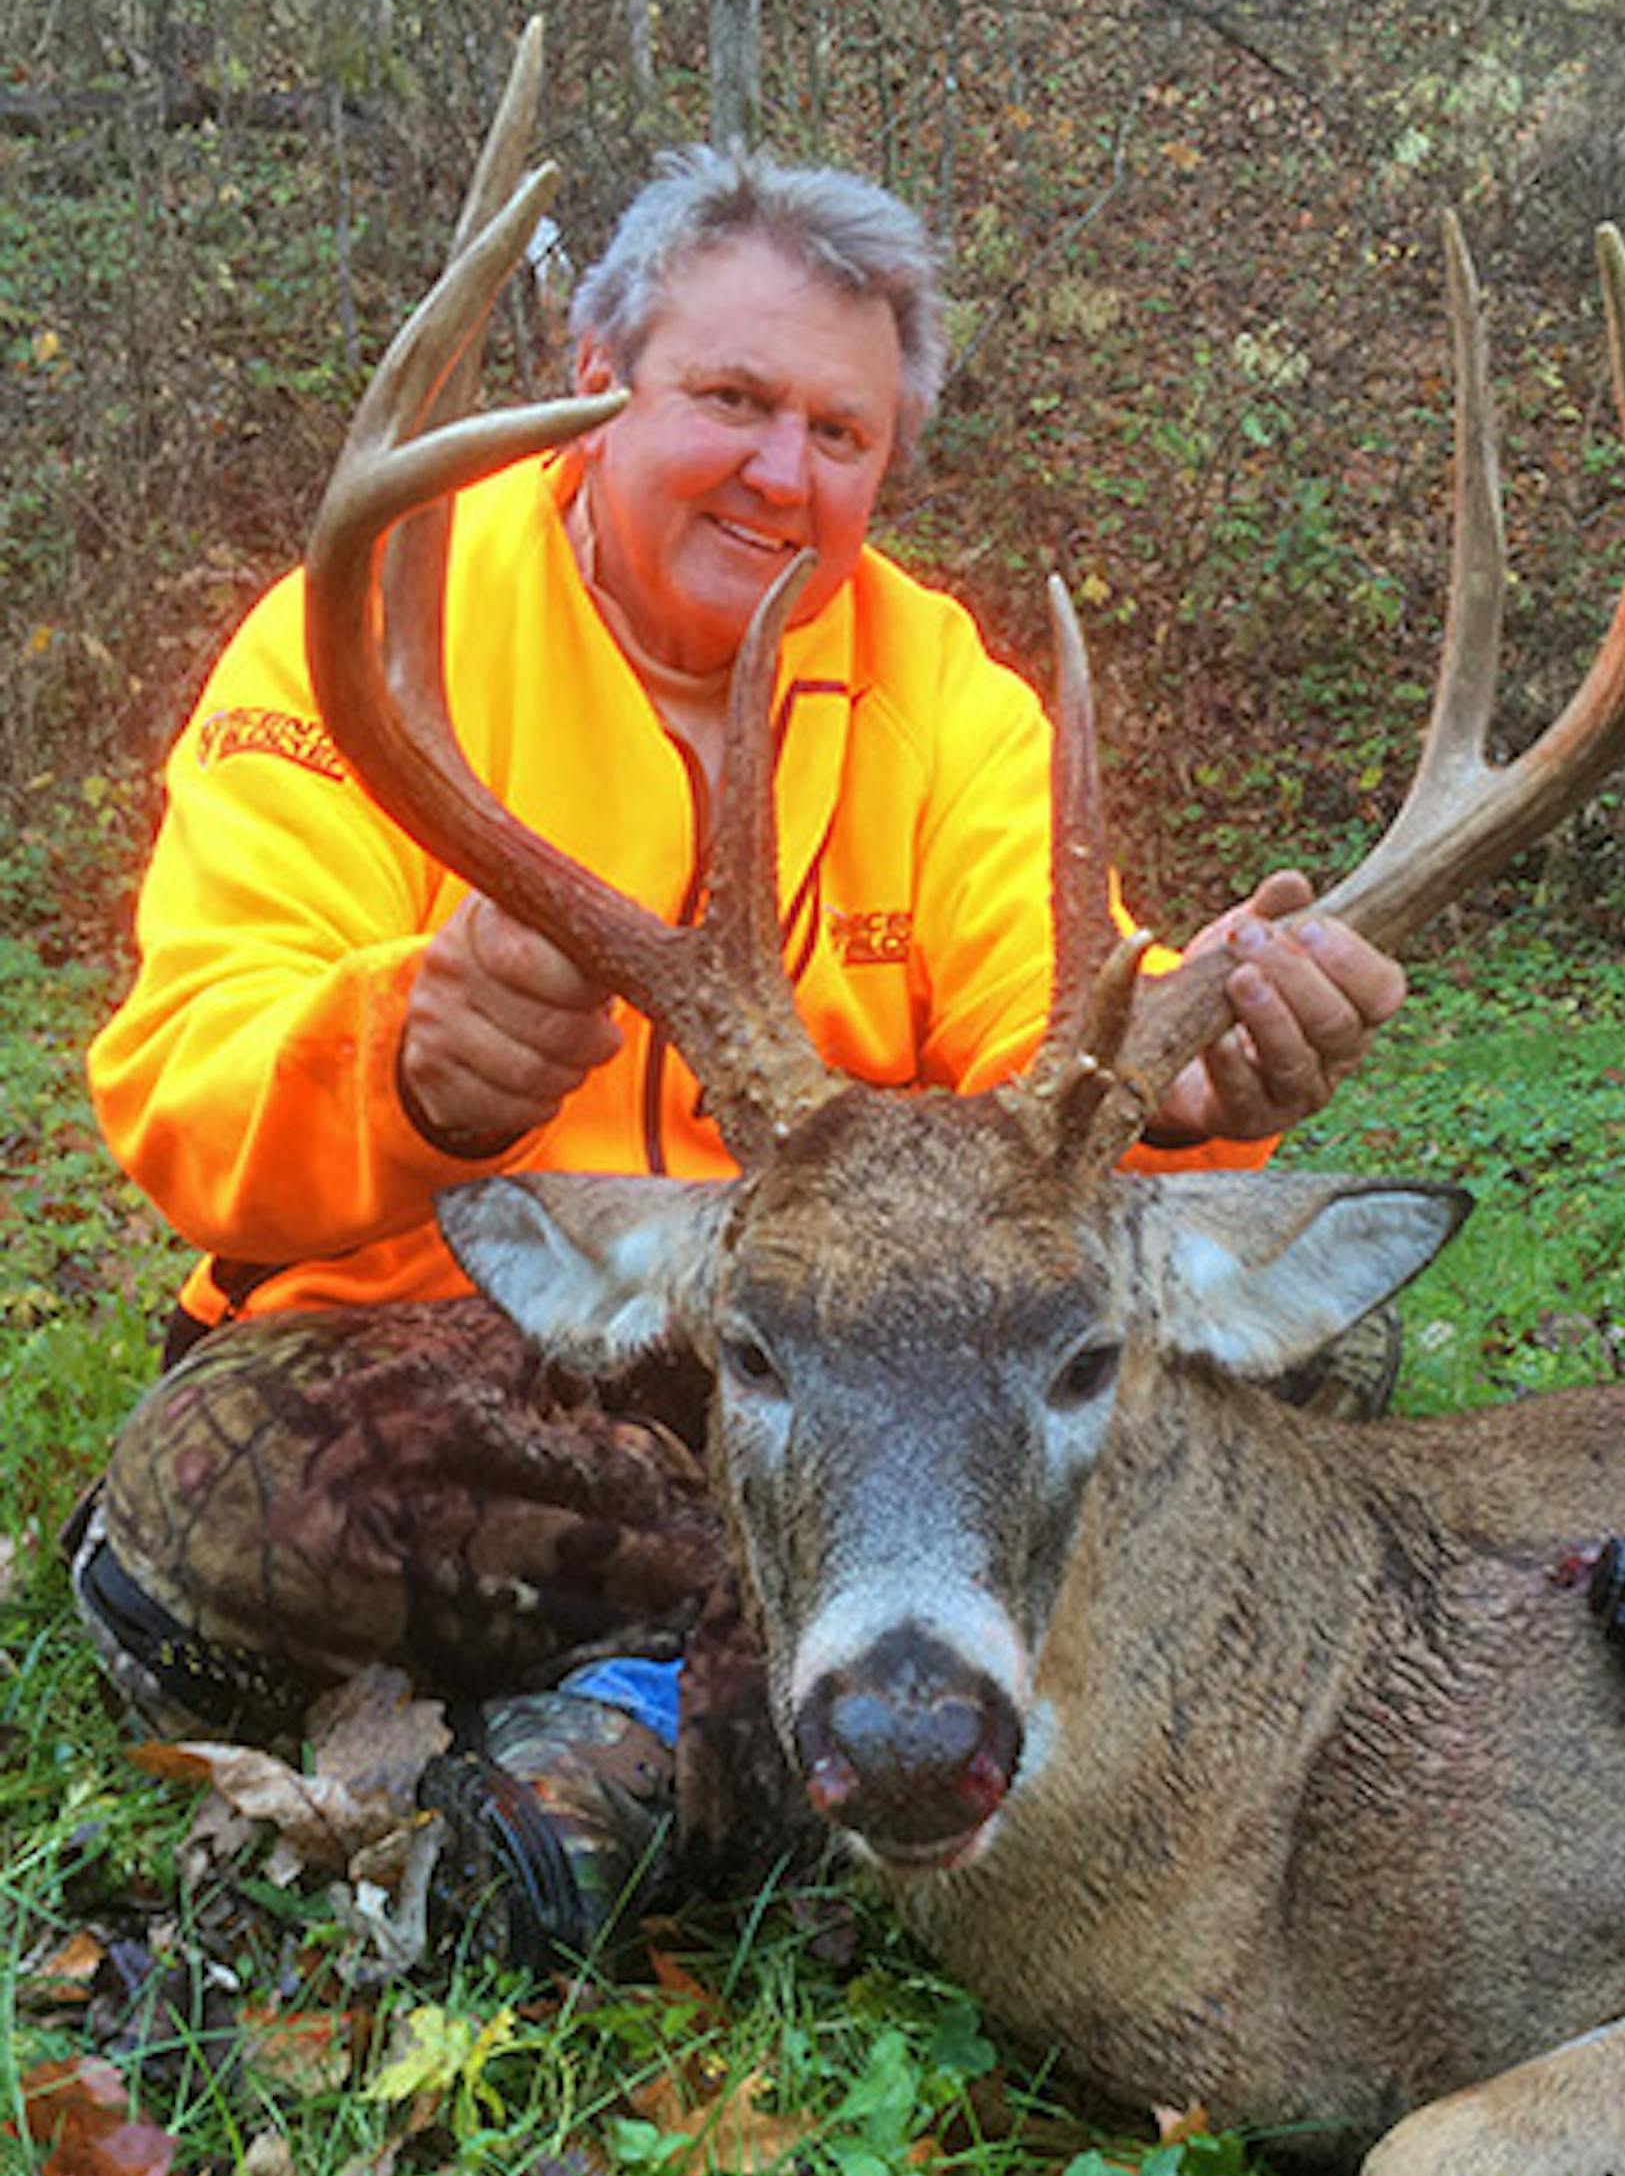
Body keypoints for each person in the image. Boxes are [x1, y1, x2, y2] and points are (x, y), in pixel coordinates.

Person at [70, 143, 1408, 1963]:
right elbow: (183, 1077)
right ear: (591, 366)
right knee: (219, 1480)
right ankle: (878, 1683)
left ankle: (650, 1745)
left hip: (858, 1355)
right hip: (460, 1341)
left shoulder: (944, 692)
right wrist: (406, 1053)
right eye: (732, 399)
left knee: (1315, 1355)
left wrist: (1192, 1065)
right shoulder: (377, 644)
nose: (785, 474)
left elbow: (1046, 1022)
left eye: (843, 437)